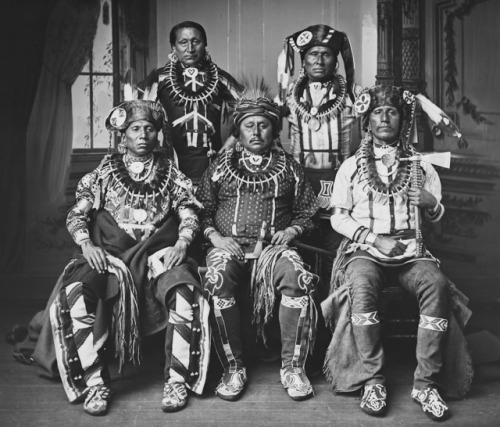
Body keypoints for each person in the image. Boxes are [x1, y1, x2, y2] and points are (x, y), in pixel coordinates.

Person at [37, 100, 210, 415]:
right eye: (135, 129)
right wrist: (87, 245)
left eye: (149, 129)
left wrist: (182, 245)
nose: (142, 134)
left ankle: (177, 379)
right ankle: (94, 383)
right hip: (110, 254)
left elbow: (189, 215)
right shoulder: (104, 171)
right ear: (123, 135)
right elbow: (77, 213)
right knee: (75, 295)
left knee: (185, 293)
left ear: (158, 135)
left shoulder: (171, 173)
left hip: (159, 253)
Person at [322, 85, 472, 421]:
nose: (385, 117)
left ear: (402, 121)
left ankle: (426, 382)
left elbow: (436, 215)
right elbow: (338, 218)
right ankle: (372, 379)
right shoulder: (350, 167)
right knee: (361, 285)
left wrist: (434, 205)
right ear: (368, 122)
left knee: (435, 284)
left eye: (392, 112)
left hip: (412, 252)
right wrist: (374, 239)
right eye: (378, 112)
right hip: (366, 250)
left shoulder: (421, 165)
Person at [196, 92, 320, 402]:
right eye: (249, 125)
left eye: (263, 125)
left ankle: (293, 367)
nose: (256, 132)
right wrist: (216, 238)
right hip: (229, 247)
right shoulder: (219, 167)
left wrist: (292, 230)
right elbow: (200, 211)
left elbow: (308, 212)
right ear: (238, 130)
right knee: (218, 277)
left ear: (274, 130)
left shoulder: (290, 168)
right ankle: (233, 367)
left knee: (296, 276)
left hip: (272, 251)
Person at [276, 24, 362, 293]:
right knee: (300, 247)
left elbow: (383, 115)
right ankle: (303, 307)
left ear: (336, 60)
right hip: (300, 182)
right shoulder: (288, 95)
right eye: (313, 54)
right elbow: (259, 124)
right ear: (303, 60)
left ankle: (333, 307)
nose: (319, 60)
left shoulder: (352, 94)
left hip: (340, 181)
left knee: (335, 248)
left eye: (326, 54)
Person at [141, 21, 244, 185]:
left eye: (196, 41)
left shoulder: (219, 77)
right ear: (173, 47)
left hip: (212, 163)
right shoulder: (160, 78)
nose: (190, 48)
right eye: (183, 42)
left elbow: (251, 108)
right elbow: (137, 113)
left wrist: (233, 139)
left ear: (205, 45)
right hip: (171, 165)